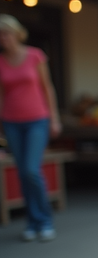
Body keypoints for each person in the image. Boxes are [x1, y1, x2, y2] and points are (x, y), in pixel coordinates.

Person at [0, 15, 60, 242]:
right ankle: (32, 222)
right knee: (21, 173)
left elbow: (48, 88)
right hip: (11, 122)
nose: (3, 38)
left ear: (16, 33)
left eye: (6, 33)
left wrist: (54, 119)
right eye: (0, 35)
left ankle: (44, 220)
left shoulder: (35, 55)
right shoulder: (1, 61)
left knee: (31, 170)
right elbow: (1, 95)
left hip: (37, 119)